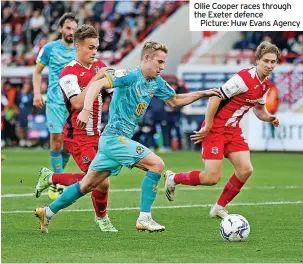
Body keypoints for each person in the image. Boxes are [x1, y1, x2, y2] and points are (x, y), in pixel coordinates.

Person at [34, 40, 221, 233]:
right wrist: (86, 109)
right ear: (146, 58)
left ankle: (47, 212)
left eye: (163, 62)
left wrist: (204, 93)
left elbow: (175, 100)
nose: (162, 67)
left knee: (87, 184)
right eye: (159, 62)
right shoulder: (129, 75)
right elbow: (98, 82)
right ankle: (144, 218)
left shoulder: (156, 82)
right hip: (114, 138)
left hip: (112, 141)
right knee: (156, 165)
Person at [163, 41, 280, 219]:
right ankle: (174, 178)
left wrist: (269, 117)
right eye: (266, 61)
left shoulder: (265, 85)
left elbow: (258, 110)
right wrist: (208, 125)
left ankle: (218, 207)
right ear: (257, 60)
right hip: (215, 128)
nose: (270, 65)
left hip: (233, 131)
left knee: (245, 170)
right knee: (211, 178)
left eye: (273, 62)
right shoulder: (242, 79)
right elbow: (215, 97)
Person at [34, 25, 117, 232]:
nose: (94, 52)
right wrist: (96, 79)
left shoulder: (99, 65)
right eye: (90, 47)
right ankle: (102, 218)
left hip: (97, 134)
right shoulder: (68, 73)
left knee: (101, 180)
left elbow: (113, 88)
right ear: (78, 46)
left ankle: (52, 177)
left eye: (96, 47)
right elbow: (78, 103)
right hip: (77, 135)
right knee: (101, 181)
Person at [32, 13, 78, 200]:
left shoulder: (79, 50)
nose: (71, 32)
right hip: (54, 102)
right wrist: (36, 93)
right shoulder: (49, 49)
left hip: (74, 103)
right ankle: (57, 182)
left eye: (74, 29)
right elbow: (37, 73)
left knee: (68, 146)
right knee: (57, 139)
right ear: (60, 29)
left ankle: (56, 177)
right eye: (68, 28)